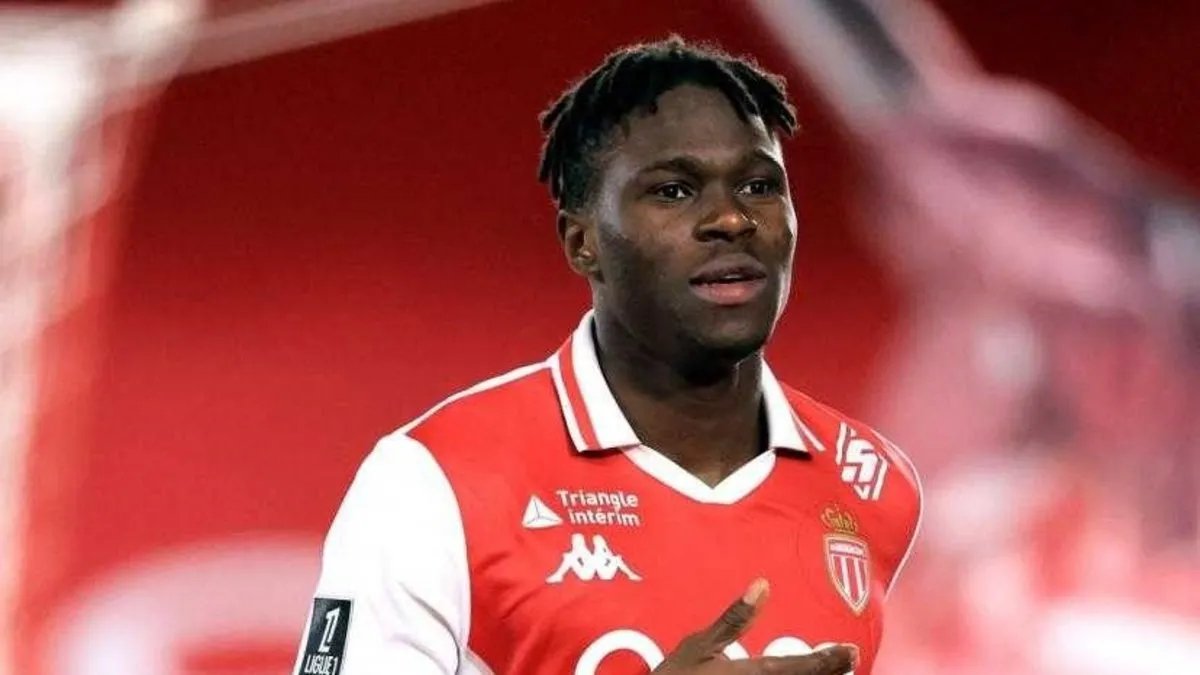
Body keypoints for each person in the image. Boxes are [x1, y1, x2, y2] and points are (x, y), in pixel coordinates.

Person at [293, 36, 920, 675]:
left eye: (759, 185)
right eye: (674, 191)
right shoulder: (434, 479)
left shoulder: (877, 485)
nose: (732, 220)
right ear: (581, 242)